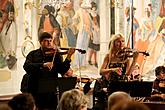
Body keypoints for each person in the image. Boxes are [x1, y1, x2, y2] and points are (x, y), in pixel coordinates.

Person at [23, 32, 75, 110]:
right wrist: (43, 65)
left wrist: (69, 56)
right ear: (40, 42)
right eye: (46, 40)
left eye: (50, 40)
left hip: (50, 92)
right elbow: (26, 66)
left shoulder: (56, 55)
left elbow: (63, 70)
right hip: (35, 90)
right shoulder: (32, 54)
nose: (49, 43)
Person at [88, 1, 100, 68]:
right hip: (92, 33)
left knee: (95, 48)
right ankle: (90, 59)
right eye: (93, 8)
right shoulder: (89, 15)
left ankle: (95, 61)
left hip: (97, 33)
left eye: (95, 8)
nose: (94, 9)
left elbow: (98, 23)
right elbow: (88, 24)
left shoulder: (97, 15)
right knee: (92, 48)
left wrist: (98, 28)